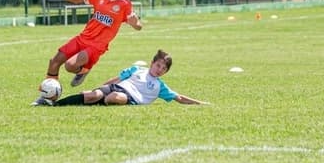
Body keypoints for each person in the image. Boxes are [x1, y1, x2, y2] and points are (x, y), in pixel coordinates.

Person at [32, 0, 143, 106]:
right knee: (54, 62)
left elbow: (138, 26)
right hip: (82, 38)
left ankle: (84, 70)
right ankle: (47, 99)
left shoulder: (124, 4)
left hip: (96, 46)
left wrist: (135, 23)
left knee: (70, 66)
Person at [49, 49, 208, 106]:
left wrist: (199, 103)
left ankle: (98, 101)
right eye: (158, 65)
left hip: (129, 97)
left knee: (114, 97)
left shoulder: (160, 86)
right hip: (117, 88)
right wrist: (98, 87)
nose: (160, 70)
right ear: (152, 63)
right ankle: (54, 104)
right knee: (94, 94)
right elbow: (116, 79)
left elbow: (178, 97)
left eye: (164, 69)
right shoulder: (137, 69)